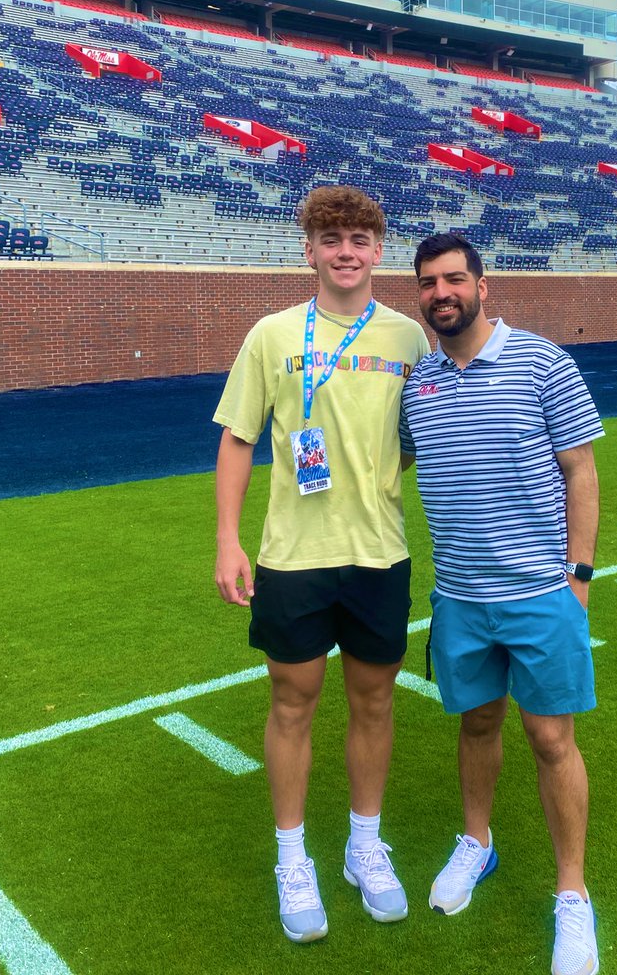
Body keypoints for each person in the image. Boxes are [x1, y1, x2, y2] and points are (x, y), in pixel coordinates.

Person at [214, 184, 430, 944]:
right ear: (308, 249)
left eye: (360, 239)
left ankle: (364, 846)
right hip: (293, 557)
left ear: (379, 251)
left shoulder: (409, 339)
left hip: (379, 553)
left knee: (374, 703)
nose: (346, 252)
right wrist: (228, 540)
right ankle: (292, 856)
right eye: (331, 238)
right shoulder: (271, 335)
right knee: (292, 703)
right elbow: (239, 438)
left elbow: (420, 440)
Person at [399, 233, 604, 975]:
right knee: (478, 723)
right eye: (428, 282)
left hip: (540, 594)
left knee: (553, 741)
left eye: (454, 278)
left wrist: (577, 578)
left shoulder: (543, 362)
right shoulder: (416, 384)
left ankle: (572, 896)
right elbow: (376, 463)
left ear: (483, 287)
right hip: (459, 599)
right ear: (418, 295)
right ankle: (476, 844)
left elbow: (580, 470)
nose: (441, 292)